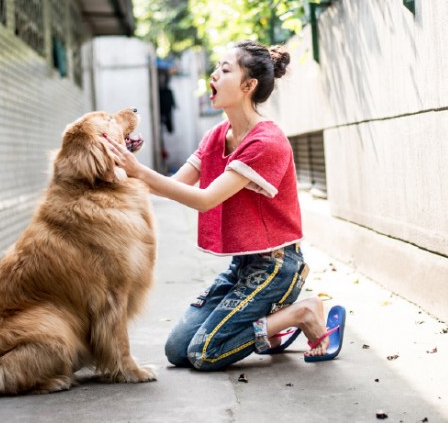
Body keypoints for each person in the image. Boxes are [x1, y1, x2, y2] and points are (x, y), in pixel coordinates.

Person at [103, 40, 345, 371]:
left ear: (249, 86)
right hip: (243, 266)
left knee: (205, 352)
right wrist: (114, 168)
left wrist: (137, 170)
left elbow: (205, 199)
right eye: (216, 67)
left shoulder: (266, 143)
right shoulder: (217, 136)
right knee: (177, 350)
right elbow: (178, 183)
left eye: (225, 69)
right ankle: (270, 320)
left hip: (276, 268)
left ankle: (303, 312)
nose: (214, 74)